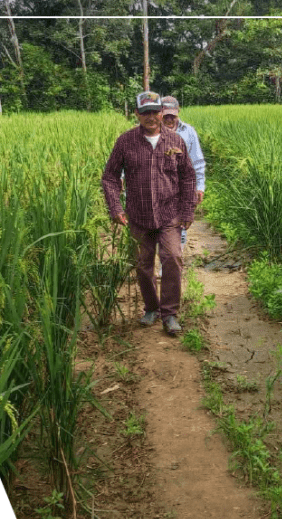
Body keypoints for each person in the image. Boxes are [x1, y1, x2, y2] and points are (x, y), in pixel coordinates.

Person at [101, 91, 197, 336]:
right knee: (143, 265)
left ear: (161, 112)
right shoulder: (125, 142)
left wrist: (188, 210)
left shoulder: (175, 141)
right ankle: (152, 307)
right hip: (139, 215)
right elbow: (110, 177)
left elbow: (188, 177)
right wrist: (115, 208)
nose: (151, 117)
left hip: (169, 214)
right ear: (136, 114)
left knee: (172, 257)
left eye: (154, 111)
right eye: (145, 112)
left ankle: (170, 313)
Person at [160, 96, 206, 257]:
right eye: (165, 115)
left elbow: (197, 161)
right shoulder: (150, 131)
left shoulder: (188, 131)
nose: (169, 119)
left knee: (180, 225)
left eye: (172, 115)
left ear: (178, 112)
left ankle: (171, 262)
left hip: (182, 187)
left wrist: (199, 187)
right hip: (157, 187)